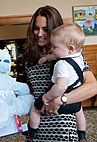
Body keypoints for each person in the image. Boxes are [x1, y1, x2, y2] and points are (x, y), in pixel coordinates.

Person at [19, 5, 97, 142]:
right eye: (36, 28)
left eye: (45, 29)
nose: (39, 33)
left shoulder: (69, 56)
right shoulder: (29, 58)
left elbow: (93, 87)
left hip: (63, 127)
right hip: (38, 126)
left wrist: (61, 99)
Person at [28, 23, 86, 141]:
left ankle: (32, 132)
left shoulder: (61, 64)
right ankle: (82, 133)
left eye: (54, 47)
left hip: (60, 102)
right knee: (79, 112)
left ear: (70, 48)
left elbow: (61, 86)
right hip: (75, 102)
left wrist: (46, 96)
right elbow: (62, 55)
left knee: (35, 109)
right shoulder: (77, 56)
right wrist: (48, 57)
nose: (51, 49)